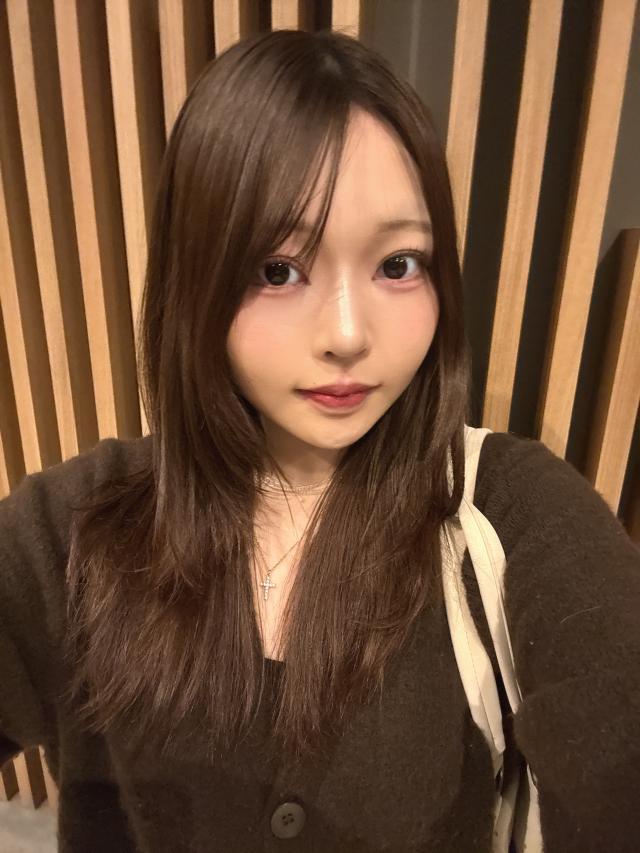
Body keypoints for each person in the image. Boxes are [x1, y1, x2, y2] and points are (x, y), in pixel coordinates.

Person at [1, 27, 639, 853]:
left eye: (398, 264)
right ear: (197, 281)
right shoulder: (80, 529)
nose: (346, 334)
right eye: (278, 270)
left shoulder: (505, 514)